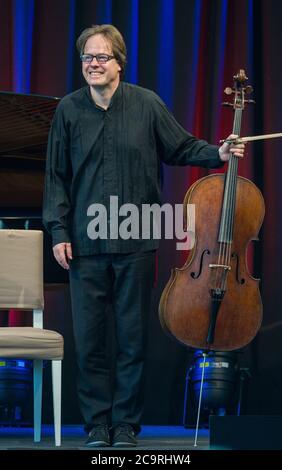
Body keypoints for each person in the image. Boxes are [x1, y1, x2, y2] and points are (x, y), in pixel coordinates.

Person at [43, 24, 244, 447]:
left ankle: (126, 427)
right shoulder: (69, 110)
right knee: (92, 341)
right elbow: (56, 177)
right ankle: (98, 425)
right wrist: (59, 230)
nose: (93, 64)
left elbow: (182, 147)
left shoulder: (147, 104)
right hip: (85, 241)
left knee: (132, 340)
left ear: (119, 62)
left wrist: (218, 152)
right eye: (87, 58)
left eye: (101, 57)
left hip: (137, 239)